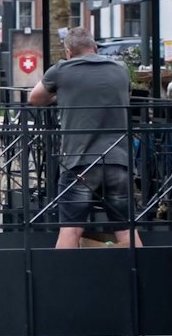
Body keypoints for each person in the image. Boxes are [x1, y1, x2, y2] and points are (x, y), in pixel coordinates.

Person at [29, 27, 141, 249]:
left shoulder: (61, 70)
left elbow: (35, 98)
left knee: (71, 229)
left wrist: (61, 97)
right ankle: (143, 269)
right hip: (118, 159)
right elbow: (125, 97)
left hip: (79, 161)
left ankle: (64, 272)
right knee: (125, 229)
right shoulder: (120, 69)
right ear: (95, 47)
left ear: (68, 52)